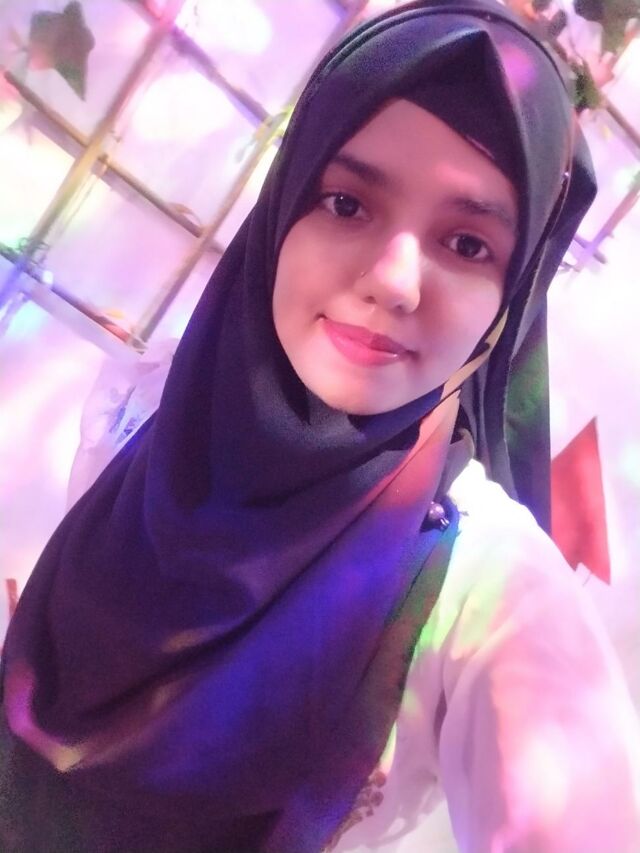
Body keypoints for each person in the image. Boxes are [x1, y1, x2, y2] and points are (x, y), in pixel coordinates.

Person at [1, 0, 639, 850]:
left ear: (510, 295)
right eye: (345, 202)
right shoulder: (147, 410)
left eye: (468, 244)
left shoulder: (489, 591)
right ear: (283, 207)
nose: (395, 280)